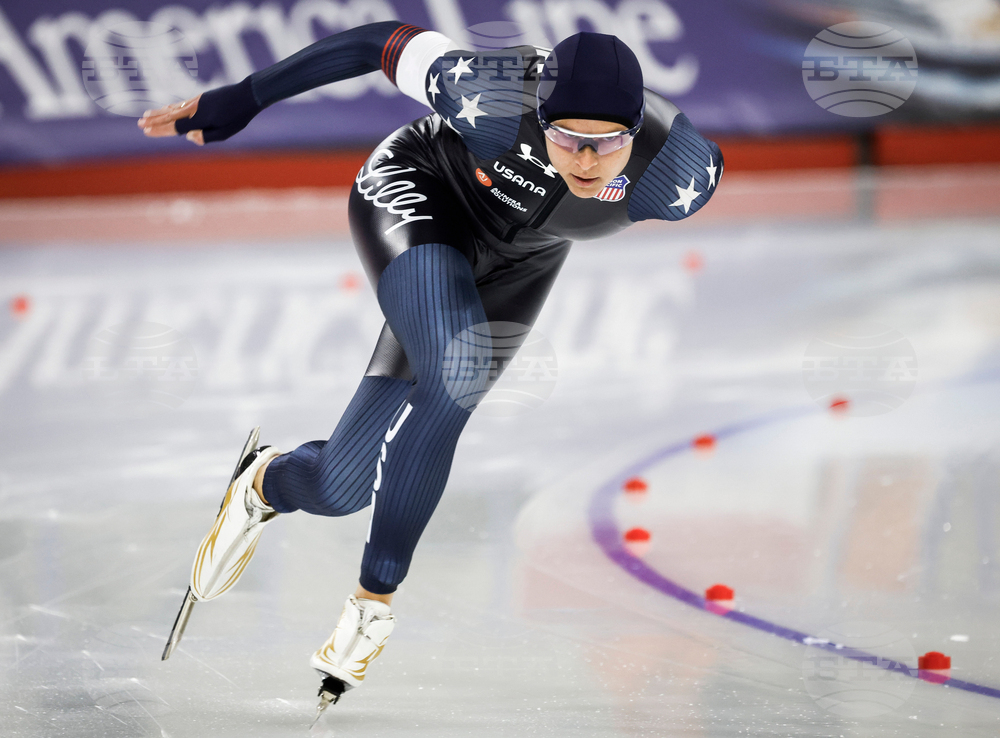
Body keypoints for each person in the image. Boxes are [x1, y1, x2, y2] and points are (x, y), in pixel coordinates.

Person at [140, 20, 723, 718]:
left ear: (638, 135)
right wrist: (243, 97)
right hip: (420, 194)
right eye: (566, 138)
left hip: (524, 261)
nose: (587, 159)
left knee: (340, 487)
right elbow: (374, 44)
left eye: (608, 143)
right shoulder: (490, 94)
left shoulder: (681, 174)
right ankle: (374, 604)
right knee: (456, 365)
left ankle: (265, 480)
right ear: (538, 115)